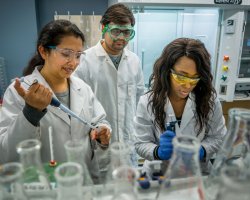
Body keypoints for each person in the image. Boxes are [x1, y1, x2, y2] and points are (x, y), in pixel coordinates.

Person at [0, 19, 111, 184]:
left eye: (78, 55)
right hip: (44, 187)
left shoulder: (83, 88)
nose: (73, 62)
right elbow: (6, 154)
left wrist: (103, 132)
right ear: (44, 51)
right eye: (66, 54)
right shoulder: (19, 92)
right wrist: (30, 112)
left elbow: (99, 121)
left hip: (83, 182)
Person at [134, 38, 227, 178]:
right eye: (182, 77)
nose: (188, 86)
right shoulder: (147, 101)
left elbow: (218, 137)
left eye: (194, 78)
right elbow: (140, 143)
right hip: (159, 174)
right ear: (167, 71)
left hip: (197, 173)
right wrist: (158, 151)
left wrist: (201, 150)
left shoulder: (209, 101)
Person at [74, 3, 144, 175]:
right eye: (116, 31)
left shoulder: (134, 61)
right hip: (98, 146)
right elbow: (78, 106)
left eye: (127, 32)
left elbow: (138, 100)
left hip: (128, 145)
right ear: (104, 28)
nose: (121, 38)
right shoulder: (84, 61)